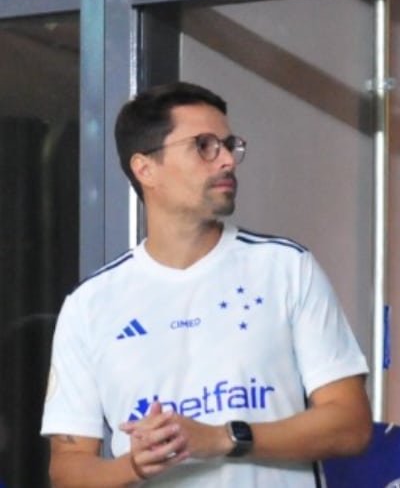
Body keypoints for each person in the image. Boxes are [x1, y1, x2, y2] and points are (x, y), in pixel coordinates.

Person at [41, 82, 372, 486]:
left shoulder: (286, 268)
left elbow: (350, 423)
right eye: (204, 146)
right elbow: (67, 468)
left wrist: (223, 437)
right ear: (145, 168)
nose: (228, 160)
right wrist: (133, 465)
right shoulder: (89, 305)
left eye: (230, 145)